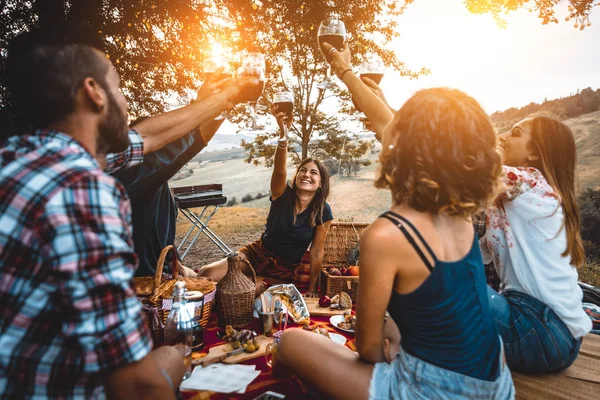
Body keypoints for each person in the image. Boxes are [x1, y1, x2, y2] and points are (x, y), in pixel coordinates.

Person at [0, 28, 256, 399]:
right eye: (118, 87)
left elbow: (149, 139)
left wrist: (220, 99)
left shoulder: (18, 157)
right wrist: (177, 356)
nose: (124, 101)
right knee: (170, 358)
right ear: (94, 92)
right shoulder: (81, 189)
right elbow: (134, 387)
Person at [272, 43, 514, 400]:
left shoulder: (388, 234)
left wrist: (344, 72)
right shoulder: (461, 213)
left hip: (433, 391)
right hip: (497, 382)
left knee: (290, 341)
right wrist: (347, 74)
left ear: (399, 148)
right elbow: (390, 124)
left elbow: (368, 349)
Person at [482, 114, 592, 373]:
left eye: (516, 133)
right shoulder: (522, 205)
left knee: (439, 282)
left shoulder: (529, 183)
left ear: (534, 153)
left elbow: (451, 161)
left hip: (536, 328)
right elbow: (473, 255)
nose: (503, 136)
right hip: (556, 336)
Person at [198, 107, 333, 296]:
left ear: (320, 184)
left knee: (238, 293)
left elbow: (317, 252)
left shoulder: (323, 211)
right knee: (206, 274)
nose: (306, 175)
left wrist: (312, 289)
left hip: (282, 270)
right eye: (303, 170)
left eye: (313, 172)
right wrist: (283, 135)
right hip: (256, 254)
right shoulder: (282, 194)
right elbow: (279, 171)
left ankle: (239, 284)